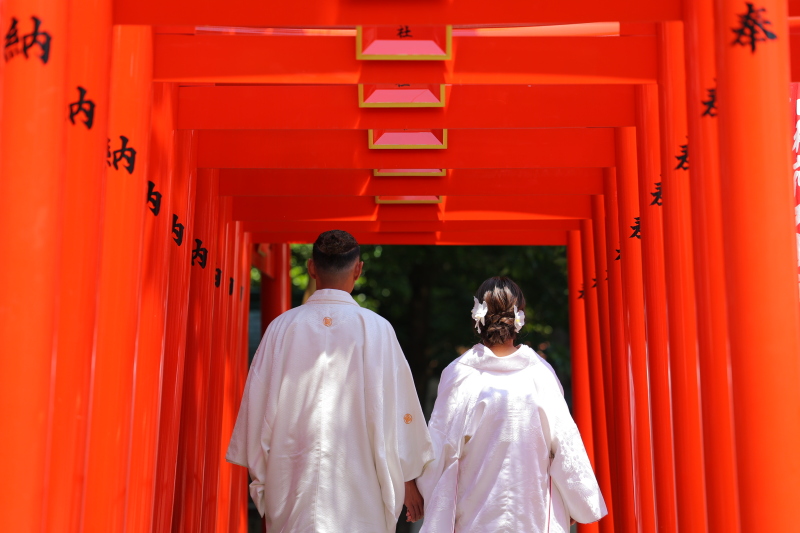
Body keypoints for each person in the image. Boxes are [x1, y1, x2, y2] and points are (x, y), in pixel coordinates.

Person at [226, 230, 433, 532]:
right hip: (361, 494)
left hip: (293, 486)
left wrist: (264, 487)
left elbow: (256, 416)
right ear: (358, 269)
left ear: (311, 268)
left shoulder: (281, 329)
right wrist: (409, 477)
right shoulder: (378, 330)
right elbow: (401, 412)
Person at [416, 277, 607, 533]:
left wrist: (416, 492)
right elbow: (565, 444)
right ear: (519, 317)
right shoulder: (540, 374)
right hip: (532, 513)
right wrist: (575, 501)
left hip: (474, 514)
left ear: (478, 318)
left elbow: (439, 448)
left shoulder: (460, 374)